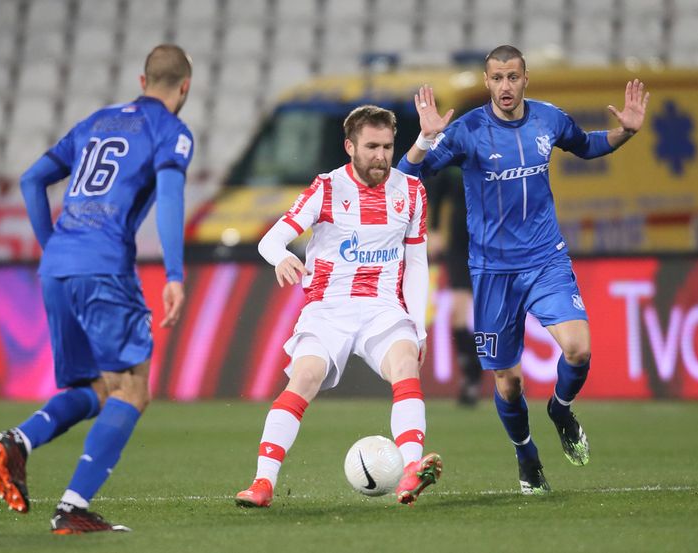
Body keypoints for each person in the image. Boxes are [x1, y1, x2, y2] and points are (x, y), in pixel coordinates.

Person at [398, 45, 649, 494]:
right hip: (492, 272)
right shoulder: (468, 130)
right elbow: (406, 178)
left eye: (512, 77)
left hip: (545, 258)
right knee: (508, 382)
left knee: (579, 349)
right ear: (487, 81)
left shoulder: (548, 119)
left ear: (525, 79)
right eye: (496, 78)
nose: (505, 86)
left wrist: (624, 132)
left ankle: (560, 407)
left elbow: (587, 145)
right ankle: (526, 454)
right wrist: (424, 140)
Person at [0, 44, 194, 533]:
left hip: (58, 268)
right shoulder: (170, 131)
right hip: (103, 266)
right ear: (184, 87)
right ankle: (73, 508)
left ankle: (19, 440)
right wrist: (175, 276)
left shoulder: (97, 122)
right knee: (134, 389)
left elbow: (32, 180)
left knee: (95, 387)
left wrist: (52, 247)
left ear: (143, 82)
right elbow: (169, 199)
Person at [235, 105, 442, 508]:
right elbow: (269, 241)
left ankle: (411, 471)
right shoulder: (326, 188)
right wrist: (281, 258)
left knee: (405, 364)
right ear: (350, 147)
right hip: (328, 308)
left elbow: (417, 263)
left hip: (383, 307)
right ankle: (262, 482)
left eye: (387, 146)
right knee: (305, 377)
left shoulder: (412, 192)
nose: (381, 156)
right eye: (371, 147)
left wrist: (418, 328)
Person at [423, 168, 483, 406]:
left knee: (492, 318)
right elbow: (436, 197)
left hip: (490, 246)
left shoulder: (493, 155)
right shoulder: (452, 163)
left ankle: (503, 382)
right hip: (459, 248)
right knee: (458, 317)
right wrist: (434, 231)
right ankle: (472, 376)